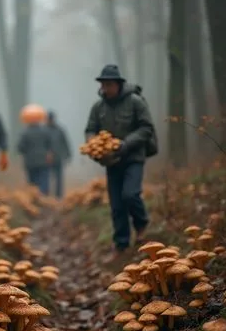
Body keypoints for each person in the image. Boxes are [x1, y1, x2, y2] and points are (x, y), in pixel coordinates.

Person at [85, 64, 155, 259]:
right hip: (111, 161)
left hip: (133, 157)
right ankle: (121, 244)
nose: (106, 88)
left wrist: (125, 144)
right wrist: (92, 143)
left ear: (118, 84)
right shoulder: (98, 107)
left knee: (130, 194)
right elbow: (90, 128)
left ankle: (141, 225)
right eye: (103, 84)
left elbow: (146, 128)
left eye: (109, 84)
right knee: (116, 205)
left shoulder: (135, 102)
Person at [17, 120, 53, 195]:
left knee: (32, 182)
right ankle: (44, 198)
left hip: (30, 163)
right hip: (43, 161)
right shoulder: (45, 131)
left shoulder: (25, 133)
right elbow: (50, 146)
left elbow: (20, 148)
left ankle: (34, 198)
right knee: (44, 181)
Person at [45, 111, 71, 198]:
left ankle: (58, 196)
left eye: (50, 119)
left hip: (58, 157)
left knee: (59, 178)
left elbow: (65, 143)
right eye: (48, 119)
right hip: (46, 159)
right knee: (46, 178)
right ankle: (46, 195)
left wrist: (68, 155)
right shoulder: (43, 130)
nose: (49, 121)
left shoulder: (60, 130)